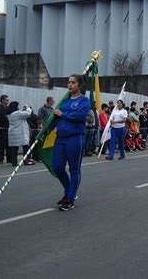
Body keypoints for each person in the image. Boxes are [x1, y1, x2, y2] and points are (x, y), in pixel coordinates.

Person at [50, 74, 91, 211]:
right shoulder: (64, 101)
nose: (70, 85)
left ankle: (70, 198)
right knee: (57, 167)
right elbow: (55, 118)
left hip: (75, 137)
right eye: (69, 82)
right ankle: (69, 192)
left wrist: (63, 114)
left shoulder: (84, 101)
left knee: (74, 169)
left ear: (79, 85)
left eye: (73, 82)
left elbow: (79, 116)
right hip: (60, 138)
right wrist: (45, 132)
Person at [7, 101, 34, 166]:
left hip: (13, 134)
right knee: (26, 147)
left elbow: (21, 114)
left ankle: (14, 162)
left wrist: (23, 110)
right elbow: (28, 113)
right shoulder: (17, 113)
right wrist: (27, 107)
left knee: (14, 148)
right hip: (20, 134)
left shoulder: (10, 114)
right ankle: (26, 160)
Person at [0, 94, 11, 164]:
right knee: (1, 145)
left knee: (8, 144)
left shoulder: (8, 108)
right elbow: (1, 118)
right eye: (6, 100)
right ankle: (0, 159)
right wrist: (7, 117)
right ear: (2, 100)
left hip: (8, 128)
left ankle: (9, 159)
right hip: (2, 128)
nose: (8, 101)